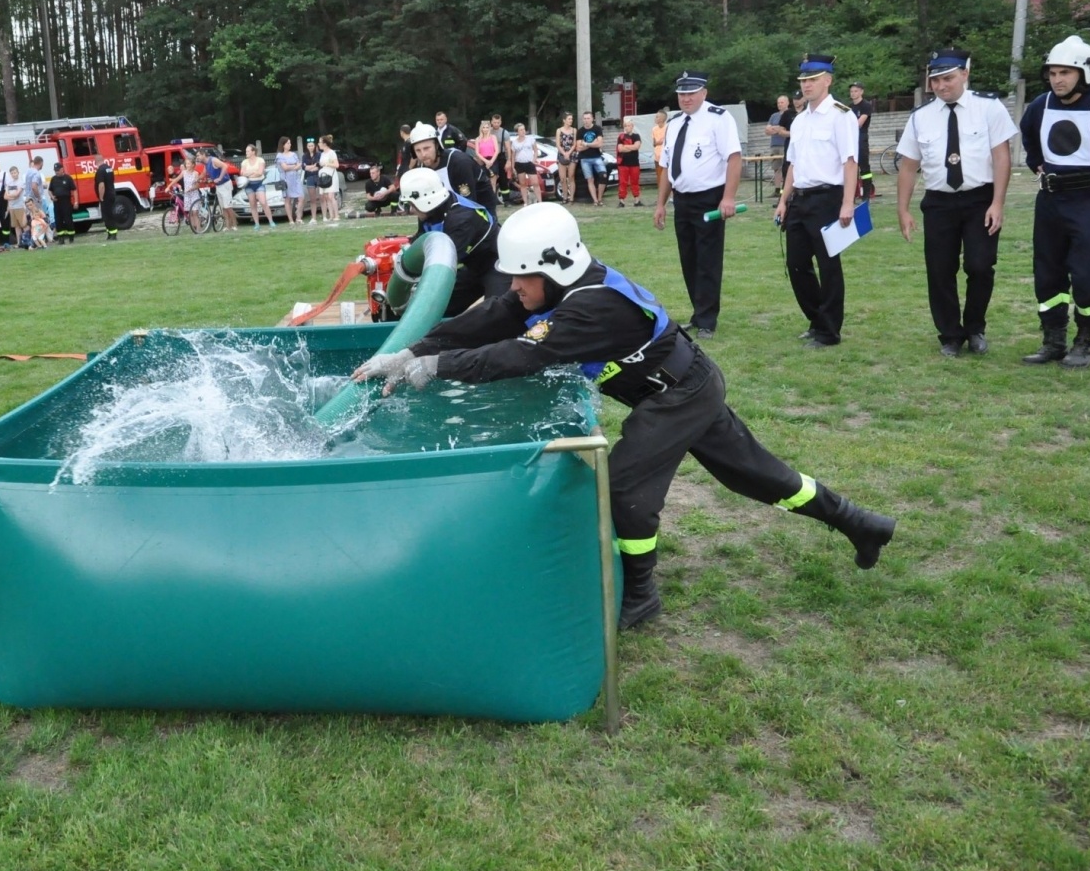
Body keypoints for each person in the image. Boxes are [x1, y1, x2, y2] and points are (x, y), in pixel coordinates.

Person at [351, 203, 896, 629]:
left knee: (628, 489)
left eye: (523, 278)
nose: (515, 288)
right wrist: (416, 350)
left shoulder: (593, 307)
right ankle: (861, 523)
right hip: (679, 386)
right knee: (760, 476)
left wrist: (438, 366)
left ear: (556, 266)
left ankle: (641, 594)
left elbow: (519, 353)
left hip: (677, 395)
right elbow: (495, 316)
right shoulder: (560, 285)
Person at [895, 48, 1019, 359]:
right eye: (935, 80)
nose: (940, 86)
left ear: (965, 73)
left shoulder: (989, 108)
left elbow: (1001, 157)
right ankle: (950, 334)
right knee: (939, 270)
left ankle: (975, 327)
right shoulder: (920, 118)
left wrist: (998, 203)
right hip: (939, 202)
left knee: (979, 266)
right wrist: (903, 209)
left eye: (947, 78)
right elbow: (909, 166)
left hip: (980, 199)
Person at [1017, 35, 1090, 370]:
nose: (1058, 80)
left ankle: (1086, 339)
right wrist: (1037, 162)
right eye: (1052, 73)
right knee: (1048, 273)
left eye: (1066, 72)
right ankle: (1053, 340)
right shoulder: (1040, 105)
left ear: (1084, 72)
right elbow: (1030, 136)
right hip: (1051, 199)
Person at [773, 54, 859, 348]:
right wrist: (783, 201)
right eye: (803, 80)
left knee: (828, 265)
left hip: (828, 197)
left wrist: (848, 202)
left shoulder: (841, 115)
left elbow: (850, 162)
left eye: (812, 80)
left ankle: (829, 331)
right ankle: (816, 318)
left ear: (828, 80)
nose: (806, 85)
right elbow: (792, 166)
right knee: (796, 263)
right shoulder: (799, 121)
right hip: (800, 198)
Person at [653, 70, 744, 340]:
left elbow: (734, 158)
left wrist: (728, 197)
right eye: (682, 94)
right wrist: (661, 204)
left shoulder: (719, 118)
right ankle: (698, 312)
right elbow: (667, 167)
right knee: (689, 259)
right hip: (682, 199)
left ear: (703, 93)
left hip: (709, 198)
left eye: (691, 93)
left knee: (707, 260)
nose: (686, 98)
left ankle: (707, 319)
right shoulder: (676, 123)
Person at [398, 166, 506, 315]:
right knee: (433, 309)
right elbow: (422, 240)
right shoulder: (430, 212)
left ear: (426, 200)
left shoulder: (461, 218)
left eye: (411, 204)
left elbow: (442, 262)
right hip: (472, 265)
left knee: (497, 315)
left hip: (499, 264)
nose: (411, 210)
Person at [410, 121, 498, 214]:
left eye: (427, 148)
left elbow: (469, 203)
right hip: (451, 212)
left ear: (436, 145)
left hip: (480, 209)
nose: (423, 154)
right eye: (418, 150)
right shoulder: (423, 169)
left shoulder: (459, 162)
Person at [849, 82, 875, 200]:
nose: (853, 93)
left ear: (861, 92)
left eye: (856, 91)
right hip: (850, 138)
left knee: (864, 168)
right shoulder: (849, 107)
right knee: (850, 167)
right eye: (852, 91)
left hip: (861, 137)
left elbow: (859, 123)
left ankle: (866, 196)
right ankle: (851, 195)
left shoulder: (866, 105)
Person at [575, 111, 607, 206]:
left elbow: (600, 144)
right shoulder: (580, 131)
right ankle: (595, 201)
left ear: (592, 118)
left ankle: (600, 198)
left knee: (603, 176)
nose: (586, 120)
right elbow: (578, 148)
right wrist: (594, 143)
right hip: (584, 158)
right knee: (590, 180)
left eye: (588, 118)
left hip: (596, 157)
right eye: (584, 118)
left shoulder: (597, 129)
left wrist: (587, 144)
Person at [241, 144, 275, 229]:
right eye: (246, 151)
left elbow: (260, 172)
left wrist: (249, 173)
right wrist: (253, 172)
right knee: (252, 204)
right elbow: (242, 173)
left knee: (263, 202)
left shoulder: (260, 160)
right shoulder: (244, 162)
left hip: (259, 183)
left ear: (253, 152)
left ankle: (271, 221)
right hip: (249, 185)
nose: (246, 152)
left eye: (248, 151)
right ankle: (257, 224)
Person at [765, 95, 793, 194]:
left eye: (782, 102)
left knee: (786, 167)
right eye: (778, 103)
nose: (780, 104)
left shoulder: (790, 114)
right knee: (776, 168)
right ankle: (777, 189)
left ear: (787, 103)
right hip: (774, 145)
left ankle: (785, 190)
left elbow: (786, 130)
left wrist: (776, 129)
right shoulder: (774, 116)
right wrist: (777, 129)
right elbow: (767, 130)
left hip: (784, 144)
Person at [507, 123, 540, 205]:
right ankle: (525, 202)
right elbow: (513, 156)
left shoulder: (531, 139)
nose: (523, 131)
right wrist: (513, 167)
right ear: (517, 132)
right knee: (522, 183)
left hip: (529, 163)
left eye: (524, 129)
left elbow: (536, 150)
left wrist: (534, 160)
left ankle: (540, 201)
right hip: (519, 163)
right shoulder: (514, 143)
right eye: (521, 130)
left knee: (535, 182)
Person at [616, 117, 644, 207]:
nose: (627, 127)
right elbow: (620, 149)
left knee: (635, 182)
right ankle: (621, 201)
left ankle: (637, 200)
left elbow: (637, 147)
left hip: (634, 163)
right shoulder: (621, 137)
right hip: (623, 163)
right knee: (622, 182)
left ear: (632, 126)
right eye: (625, 126)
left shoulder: (636, 136)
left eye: (629, 125)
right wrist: (631, 147)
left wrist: (626, 146)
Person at [48, 162, 77, 244]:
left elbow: (74, 190)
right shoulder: (53, 179)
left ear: (62, 169)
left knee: (68, 220)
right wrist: (52, 197)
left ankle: (71, 237)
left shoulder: (68, 178)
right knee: (58, 220)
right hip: (57, 202)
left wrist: (76, 201)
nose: (56, 172)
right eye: (55, 170)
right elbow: (50, 190)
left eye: (58, 170)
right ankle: (61, 238)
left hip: (66, 201)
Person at [276, 137, 303, 224]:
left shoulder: (294, 154)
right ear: (283, 145)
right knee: (288, 199)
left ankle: (298, 217)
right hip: (286, 179)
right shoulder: (280, 156)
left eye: (290, 143)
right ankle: (291, 220)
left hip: (295, 178)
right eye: (288, 143)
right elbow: (285, 168)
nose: (290, 145)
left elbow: (299, 165)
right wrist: (294, 166)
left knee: (301, 197)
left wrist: (291, 166)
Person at [92, 157, 120, 240]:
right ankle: (110, 234)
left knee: (107, 216)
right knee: (109, 214)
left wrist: (101, 196)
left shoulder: (100, 171)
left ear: (96, 162)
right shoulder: (109, 168)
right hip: (111, 194)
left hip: (105, 196)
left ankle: (113, 234)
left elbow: (101, 185)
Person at [472, 121, 501, 198]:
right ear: (481, 129)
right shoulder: (478, 139)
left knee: (493, 183)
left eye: (487, 127)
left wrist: (491, 161)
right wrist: (486, 161)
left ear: (489, 128)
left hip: (493, 160)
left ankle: (493, 199)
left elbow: (497, 150)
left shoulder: (493, 137)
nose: (485, 129)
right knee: (484, 181)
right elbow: (477, 152)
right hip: (482, 161)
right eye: (483, 128)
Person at [554, 112, 578, 203]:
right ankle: (565, 197)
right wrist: (564, 153)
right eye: (569, 119)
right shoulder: (559, 130)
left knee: (571, 176)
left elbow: (574, 143)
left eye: (571, 119)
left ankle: (571, 198)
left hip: (572, 154)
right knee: (562, 178)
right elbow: (557, 144)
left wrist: (569, 153)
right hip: (561, 154)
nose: (571, 121)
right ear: (564, 120)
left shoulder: (574, 130)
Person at [318, 135, 341, 221]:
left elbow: (336, 165)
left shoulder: (332, 153)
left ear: (324, 143)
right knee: (327, 196)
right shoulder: (322, 154)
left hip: (331, 176)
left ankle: (337, 215)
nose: (318, 144)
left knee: (331, 196)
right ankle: (331, 215)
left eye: (320, 142)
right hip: (324, 176)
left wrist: (326, 164)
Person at [301, 137, 323, 222]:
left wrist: (310, 167)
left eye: (312, 145)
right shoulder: (304, 156)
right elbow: (303, 167)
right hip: (309, 177)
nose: (311, 147)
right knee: (312, 199)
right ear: (307, 146)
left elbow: (319, 165)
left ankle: (324, 216)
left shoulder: (319, 154)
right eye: (309, 146)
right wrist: (313, 166)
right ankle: (313, 218)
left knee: (321, 197)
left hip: (318, 176)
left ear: (314, 146)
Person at [651, 110, 667, 181]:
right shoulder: (654, 129)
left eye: (657, 117)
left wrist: (661, 141)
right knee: (659, 177)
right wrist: (660, 141)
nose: (655, 118)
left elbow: (667, 141)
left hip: (666, 156)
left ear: (662, 119)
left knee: (667, 177)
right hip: (657, 157)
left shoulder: (668, 128)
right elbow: (654, 143)